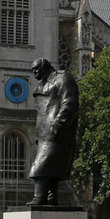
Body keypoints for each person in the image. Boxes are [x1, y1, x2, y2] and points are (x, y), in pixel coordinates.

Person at [27, 58, 79, 206]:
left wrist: (58, 124)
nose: (35, 72)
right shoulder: (40, 85)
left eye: (36, 68)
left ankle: (39, 198)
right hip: (44, 133)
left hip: (57, 132)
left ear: (45, 66)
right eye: (32, 70)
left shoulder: (63, 77)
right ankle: (51, 198)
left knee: (40, 167)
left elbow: (70, 102)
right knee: (51, 168)